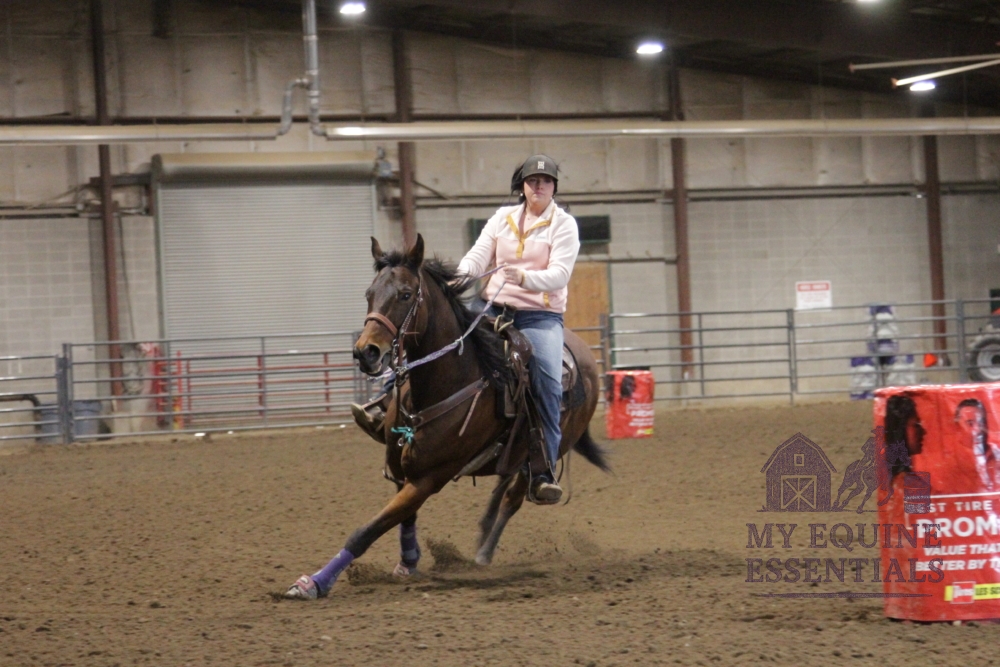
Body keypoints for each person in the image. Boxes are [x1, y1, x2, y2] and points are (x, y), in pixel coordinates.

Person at [457, 154, 580, 504]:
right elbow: (478, 257)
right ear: (522, 186)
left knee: (548, 382)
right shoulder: (502, 218)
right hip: (492, 307)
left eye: (546, 180)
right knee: (447, 340)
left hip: (539, 316)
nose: (539, 186)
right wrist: (459, 277)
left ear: (554, 186)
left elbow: (560, 275)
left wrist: (524, 277)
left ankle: (542, 470)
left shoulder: (564, 224)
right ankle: (388, 403)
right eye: (532, 180)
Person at [955, 398, 993, 488]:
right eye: (970, 423)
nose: (978, 430)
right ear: (957, 426)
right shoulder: (946, 461)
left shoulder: (996, 454)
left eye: (981, 423)